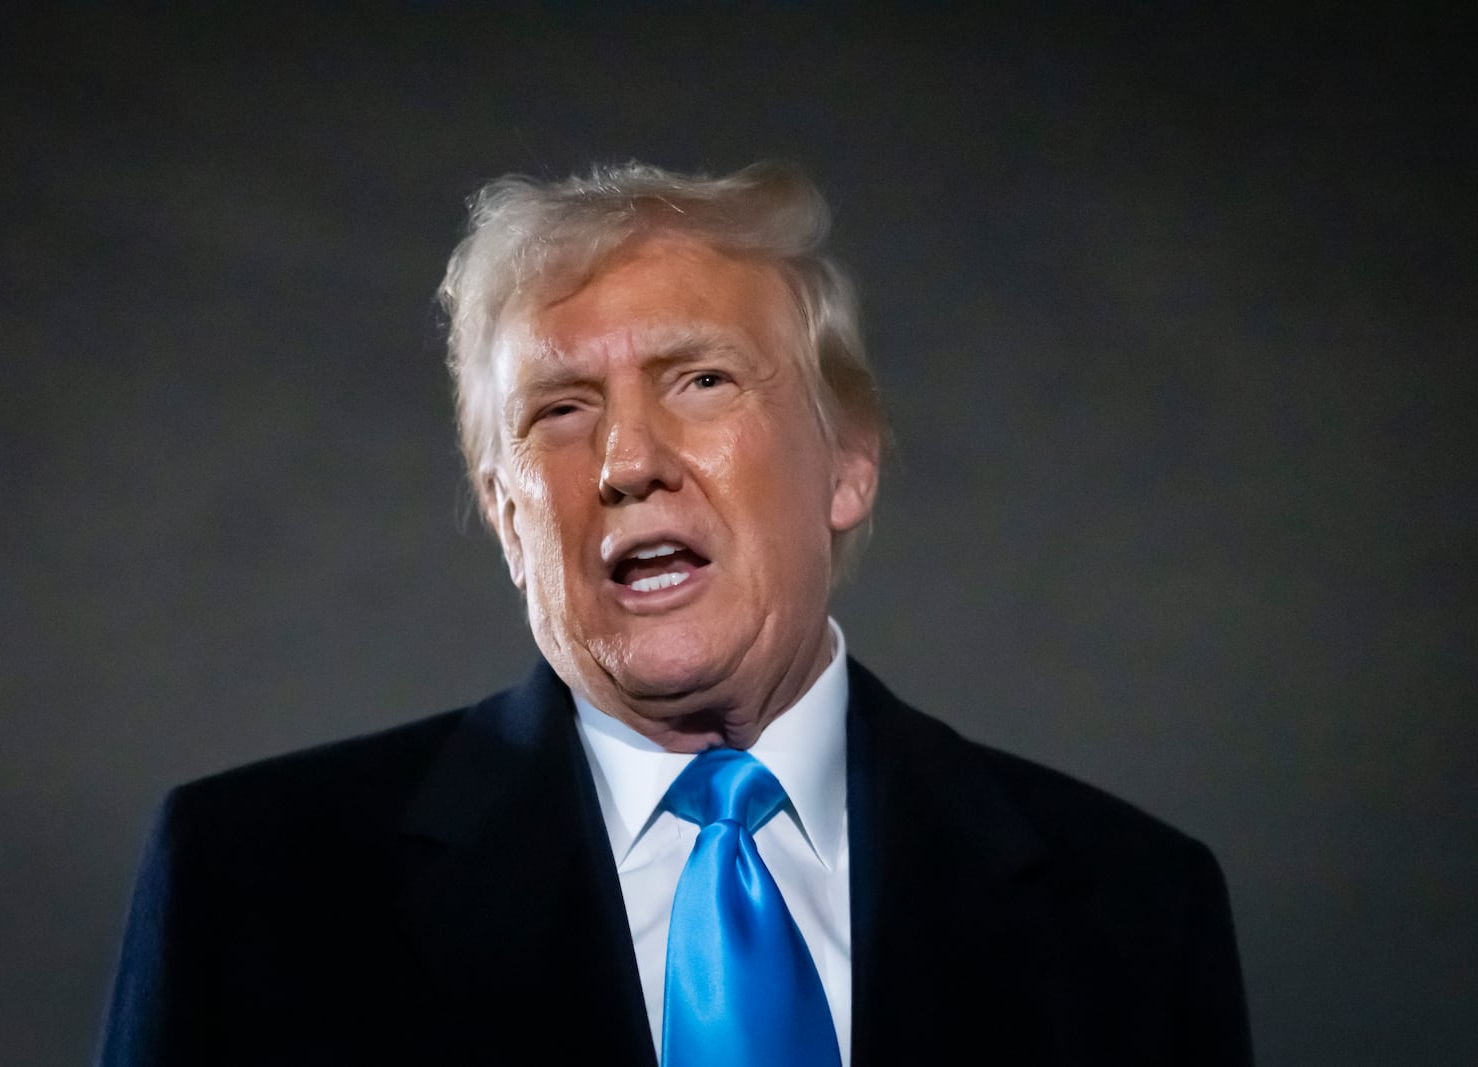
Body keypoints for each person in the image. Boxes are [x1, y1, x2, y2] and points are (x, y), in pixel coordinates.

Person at [96, 161, 1253, 1065]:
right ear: (507, 516)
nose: (627, 459)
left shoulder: (1132, 906)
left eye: (700, 379)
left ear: (847, 462)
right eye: (558, 409)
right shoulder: (254, 882)